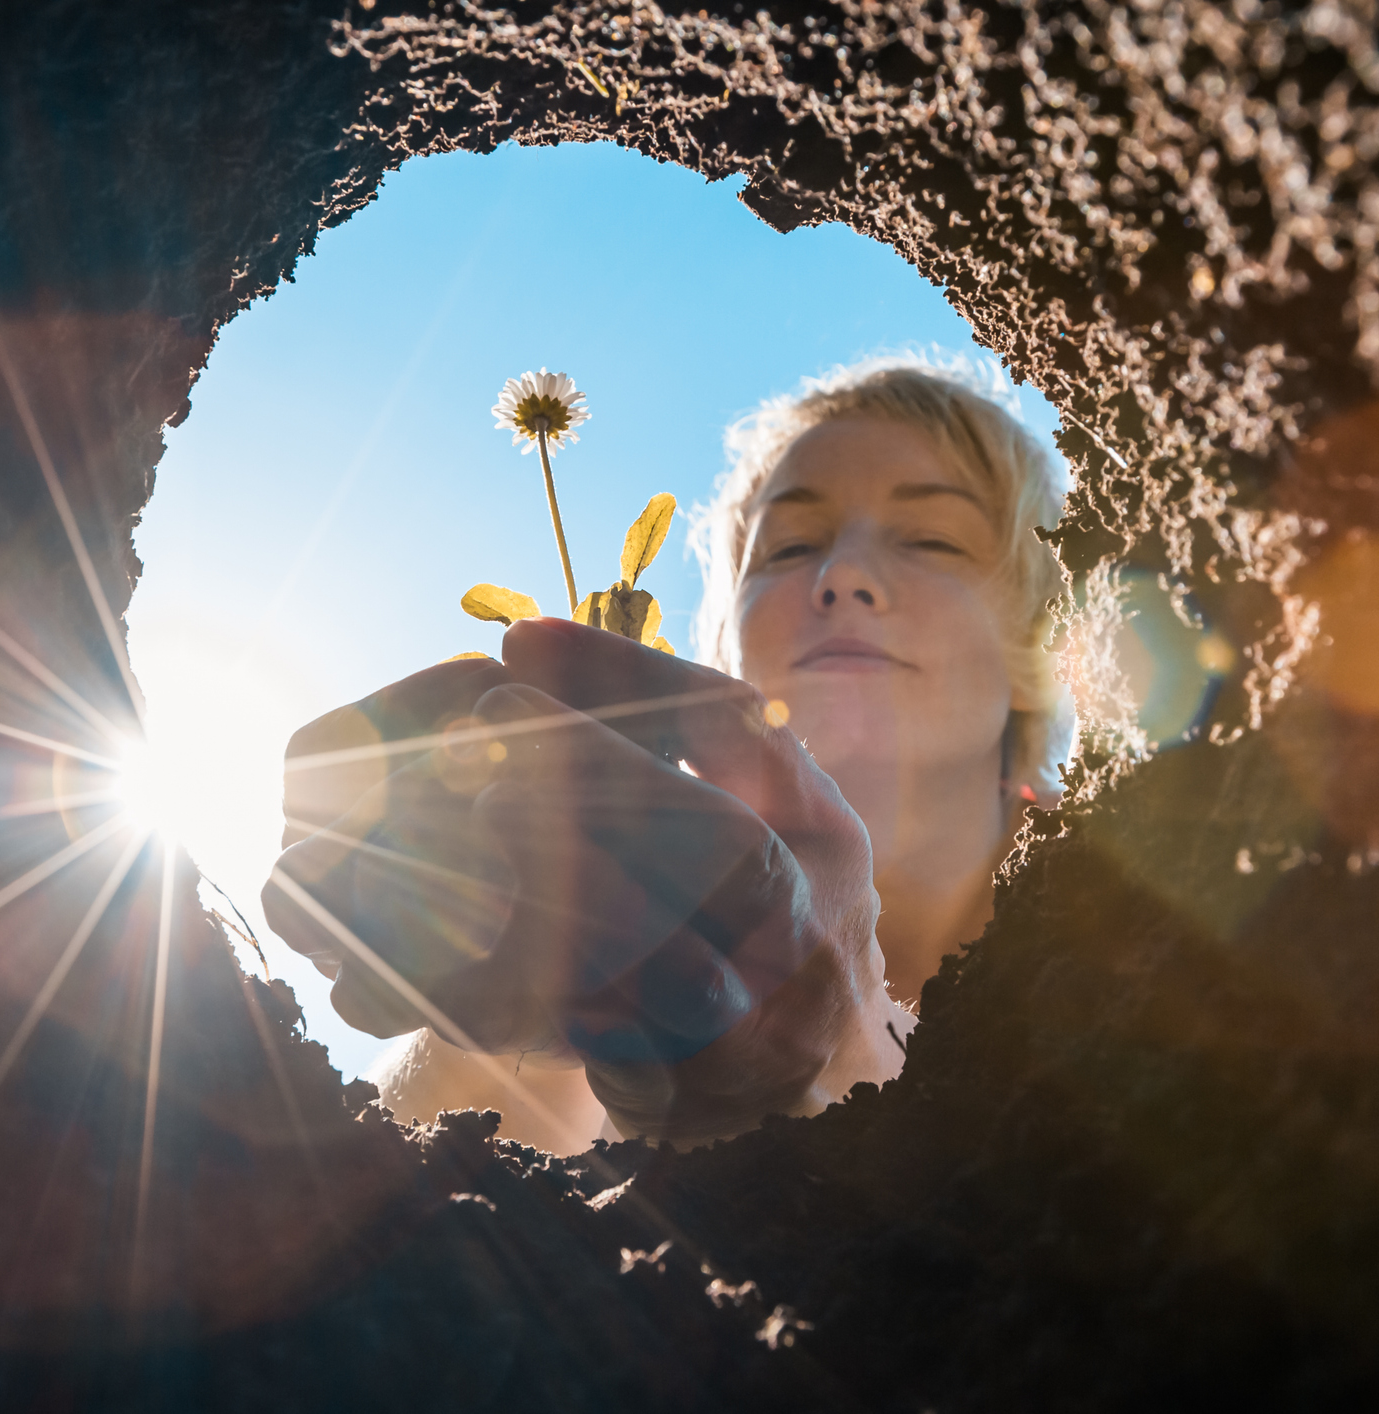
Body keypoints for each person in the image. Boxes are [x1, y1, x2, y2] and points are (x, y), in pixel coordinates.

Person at [263, 358, 1073, 1153]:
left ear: (1043, 640)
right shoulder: (640, 919)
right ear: (723, 646)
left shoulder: (1138, 935)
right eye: (789, 547)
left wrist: (836, 1041)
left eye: (932, 540)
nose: (842, 575)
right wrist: (523, 954)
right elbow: (385, 1216)